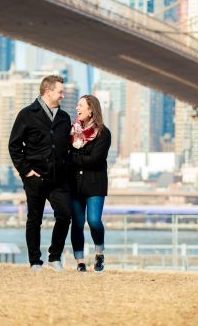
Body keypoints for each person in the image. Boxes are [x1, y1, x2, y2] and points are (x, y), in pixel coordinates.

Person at [8, 75, 72, 272]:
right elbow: (14, 145)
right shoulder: (27, 114)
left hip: (58, 178)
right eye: (60, 92)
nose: (63, 96)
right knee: (34, 219)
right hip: (35, 178)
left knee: (65, 214)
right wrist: (26, 171)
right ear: (48, 91)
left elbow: (67, 148)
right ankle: (35, 261)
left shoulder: (64, 118)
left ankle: (55, 257)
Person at [70, 95, 111, 272]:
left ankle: (99, 253)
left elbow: (95, 160)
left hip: (95, 184)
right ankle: (79, 261)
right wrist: (78, 158)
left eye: (81, 106)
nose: (77, 109)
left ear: (91, 109)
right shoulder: (71, 132)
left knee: (94, 221)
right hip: (74, 184)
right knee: (77, 223)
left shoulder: (103, 133)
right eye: (77, 106)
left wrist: (73, 156)